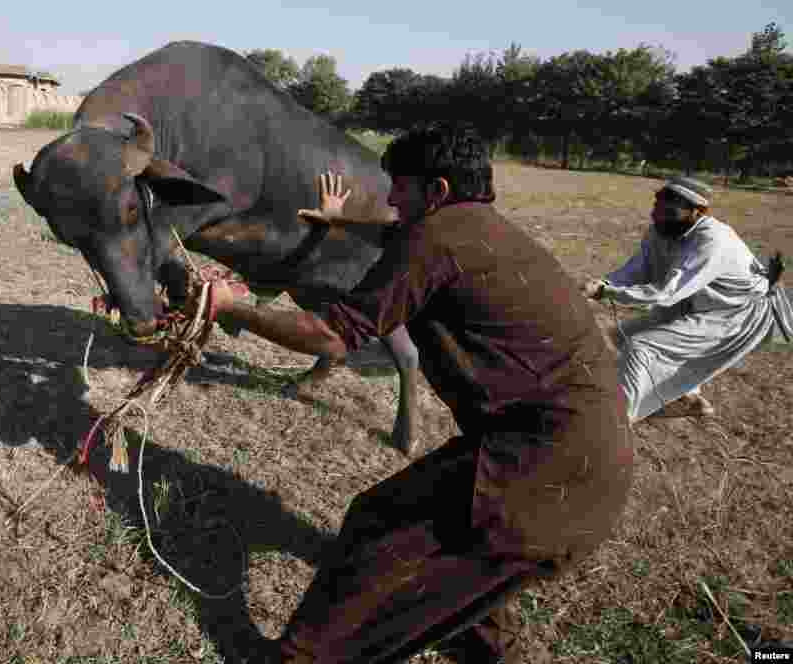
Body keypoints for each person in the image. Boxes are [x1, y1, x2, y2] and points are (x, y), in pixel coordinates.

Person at [208, 126, 634, 664]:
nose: (389, 198)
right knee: (474, 563)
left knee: (378, 522)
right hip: (595, 461)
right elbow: (394, 230)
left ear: (435, 192)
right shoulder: (484, 231)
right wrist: (341, 219)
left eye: (398, 188)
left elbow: (332, 336)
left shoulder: (435, 238)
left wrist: (231, 307)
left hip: (542, 457)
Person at [581, 176, 791, 422]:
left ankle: (613, 423)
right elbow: (638, 269)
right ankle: (687, 399)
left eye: (668, 210)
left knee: (641, 347)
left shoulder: (713, 240)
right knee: (618, 336)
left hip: (737, 313)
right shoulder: (662, 229)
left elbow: (667, 292)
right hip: (698, 302)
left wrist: (607, 293)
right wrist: (604, 283)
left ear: (697, 212)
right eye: (656, 208)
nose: (657, 216)